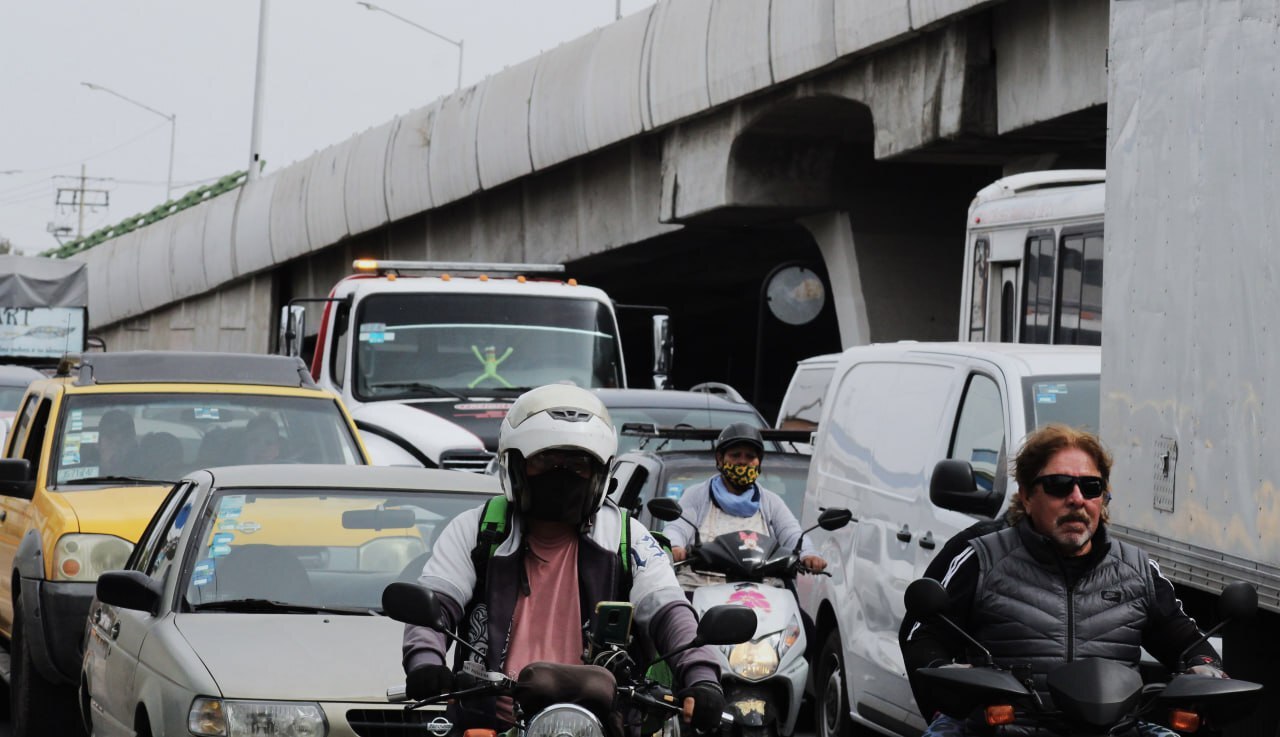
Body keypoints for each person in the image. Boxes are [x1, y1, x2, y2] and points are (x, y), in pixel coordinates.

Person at [402, 384, 725, 733]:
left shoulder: (626, 537)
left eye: (577, 464)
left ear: (600, 474)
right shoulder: (477, 531)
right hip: (491, 723)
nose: (561, 473)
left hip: (600, 722)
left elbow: (668, 612)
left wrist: (702, 676)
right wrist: (426, 661)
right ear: (514, 466)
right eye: (545, 461)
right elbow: (437, 603)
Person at [901, 424, 1225, 736]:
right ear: (1027, 496)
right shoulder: (981, 558)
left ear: (1103, 498)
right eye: (1059, 485)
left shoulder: (1137, 571)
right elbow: (922, 635)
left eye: (1090, 487)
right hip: (1005, 728)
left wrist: (1204, 669)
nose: (1076, 498)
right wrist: (949, 677)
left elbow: (1190, 645)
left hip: (1116, 730)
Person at [664, 422, 827, 589]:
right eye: (735, 455)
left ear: (759, 463)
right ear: (720, 459)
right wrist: (675, 546)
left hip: (764, 594)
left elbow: (792, 533)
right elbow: (677, 528)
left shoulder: (771, 502)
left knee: (800, 616)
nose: (743, 461)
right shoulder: (696, 495)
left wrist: (808, 554)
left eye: (750, 456)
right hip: (698, 588)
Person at [96, 409, 139, 475]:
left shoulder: (147, 470)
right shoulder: (84, 475)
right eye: (110, 438)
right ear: (98, 443)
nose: (116, 446)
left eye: (124, 440)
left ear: (133, 443)